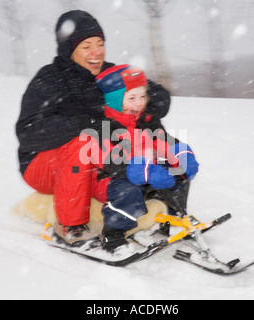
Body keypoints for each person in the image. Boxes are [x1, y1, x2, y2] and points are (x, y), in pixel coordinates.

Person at [15, 10, 171, 245]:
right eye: (86, 46)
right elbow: (28, 133)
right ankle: (71, 226)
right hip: (43, 164)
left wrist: (141, 110)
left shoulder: (112, 74)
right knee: (82, 143)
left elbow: (158, 95)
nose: (96, 52)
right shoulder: (49, 78)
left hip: (100, 160)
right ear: (69, 49)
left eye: (100, 44)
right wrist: (84, 124)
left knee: (147, 127)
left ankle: (156, 203)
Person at [80, 65, 199, 252]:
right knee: (127, 191)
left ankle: (173, 218)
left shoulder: (146, 119)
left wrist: (181, 155)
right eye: (132, 98)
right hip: (107, 177)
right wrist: (145, 171)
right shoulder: (101, 126)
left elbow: (162, 141)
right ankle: (113, 235)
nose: (139, 103)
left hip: (144, 171)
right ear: (115, 100)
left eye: (142, 97)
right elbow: (109, 160)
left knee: (178, 174)